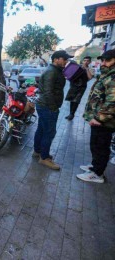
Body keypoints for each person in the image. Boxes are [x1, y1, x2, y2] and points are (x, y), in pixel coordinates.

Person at [77, 49, 115, 183]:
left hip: (104, 121)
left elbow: (112, 102)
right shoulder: (107, 74)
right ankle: (95, 166)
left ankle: (97, 174)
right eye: (103, 60)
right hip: (99, 119)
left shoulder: (113, 77)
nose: (104, 63)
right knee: (96, 145)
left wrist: (98, 118)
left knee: (101, 147)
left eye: (108, 60)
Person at [33, 50, 73, 170]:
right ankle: (44, 158)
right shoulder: (51, 72)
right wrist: (53, 108)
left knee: (41, 129)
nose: (66, 61)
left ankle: (38, 151)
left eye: (67, 59)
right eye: (64, 59)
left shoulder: (56, 71)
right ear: (56, 59)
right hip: (47, 107)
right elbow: (48, 92)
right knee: (49, 132)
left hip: (45, 106)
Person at [65, 56, 94, 120]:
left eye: (87, 61)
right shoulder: (77, 67)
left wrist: (86, 69)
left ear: (90, 62)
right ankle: (70, 113)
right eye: (85, 60)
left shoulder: (91, 69)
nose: (86, 62)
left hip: (82, 87)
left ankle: (72, 114)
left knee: (76, 100)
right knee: (71, 99)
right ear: (82, 61)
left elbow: (90, 78)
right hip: (73, 85)